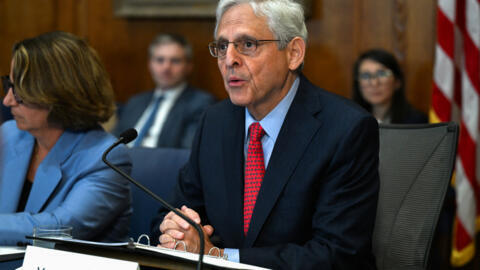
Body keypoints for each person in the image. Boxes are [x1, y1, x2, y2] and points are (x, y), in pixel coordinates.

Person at [151, 0, 380, 269]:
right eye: (223, 46)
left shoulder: (346, 129)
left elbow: (336, 254)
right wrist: (174, 230)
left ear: (294, 53)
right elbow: (170, 213)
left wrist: (218, 256)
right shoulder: (215, 121)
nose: (229, 60)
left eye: (248, 44)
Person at [0, 31, 132, 245]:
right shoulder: (9, 135)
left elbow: (61, 227)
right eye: (9, 85)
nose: (7, 101)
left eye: (19, 91)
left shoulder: (106, 157)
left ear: (57, 94)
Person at [112, 33, 216, 148]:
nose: (166, 67)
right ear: (150, 64)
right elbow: (111, 143)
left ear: (189, 66)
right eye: (160, 60)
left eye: (175, 61)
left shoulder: (201, 103)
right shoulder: (135, 101)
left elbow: (186, 153)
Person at [352, 48, 428, 124]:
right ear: (358, 83)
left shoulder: (417, 122)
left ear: (397, 82)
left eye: (382, 74)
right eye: (366, 75)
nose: (374, 83)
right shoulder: (350, 120)